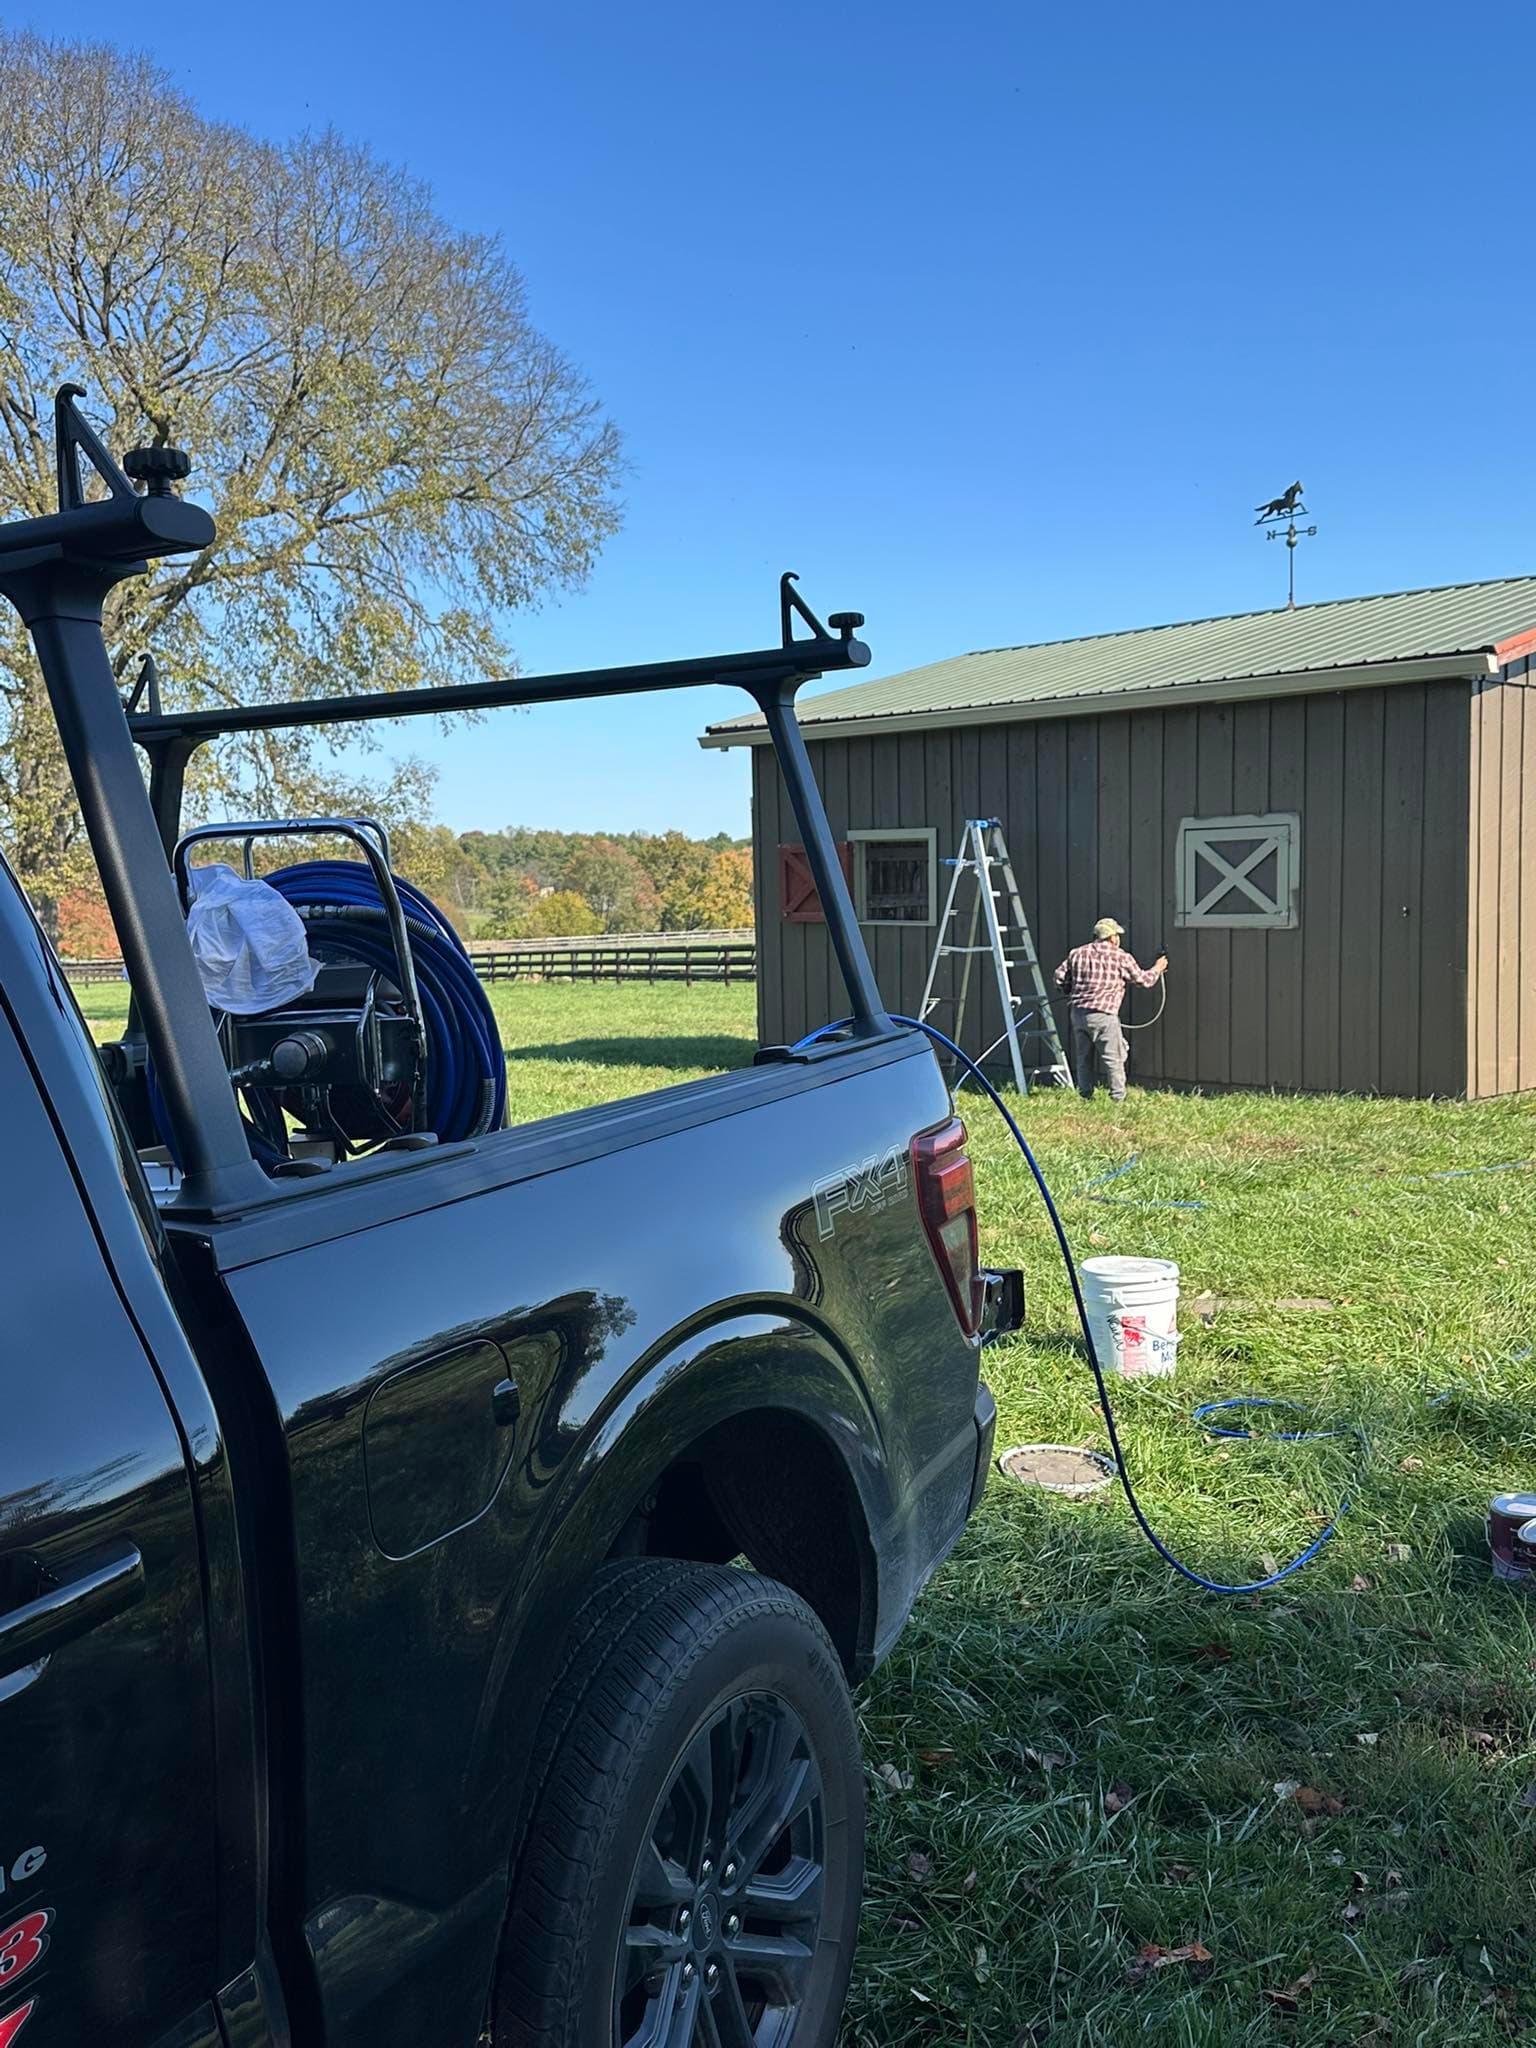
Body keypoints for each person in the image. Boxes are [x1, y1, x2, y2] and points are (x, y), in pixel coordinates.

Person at [1053, 917, 1167, 1102]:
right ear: (1113, 938)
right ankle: (1117, 1099)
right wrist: (1158, 968)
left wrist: (1068, 989)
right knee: (1114, 1059)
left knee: (1084, 1059)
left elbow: (1059, 977)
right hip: (1104, 1015)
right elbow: (1144, 980)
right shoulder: (1121, 956)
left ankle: (1085, 1095)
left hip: (1078, 1013)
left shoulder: (1077, 953)